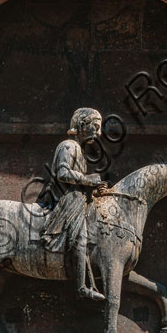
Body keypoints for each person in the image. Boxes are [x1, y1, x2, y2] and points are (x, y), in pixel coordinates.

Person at [41, 108, 106, 302]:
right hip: (65, 200)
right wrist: (88, 180)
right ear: (81, 125)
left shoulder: (78, 149)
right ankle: (81, 287)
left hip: (76, 198)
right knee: (81, 237)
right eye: (94, 126)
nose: (98, 132)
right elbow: (62, 173)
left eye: (99, 127)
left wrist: (94, 187)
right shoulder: (68, 146)